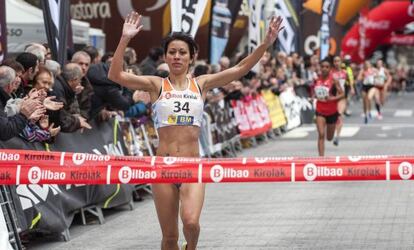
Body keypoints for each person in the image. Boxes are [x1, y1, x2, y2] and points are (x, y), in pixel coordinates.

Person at [108, 11, 283, 250]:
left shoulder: (202, 84)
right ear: (166, 57)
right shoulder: (155, 84)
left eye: (182, 53)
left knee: (191, 223)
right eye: (172, 52)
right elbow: (115, 75)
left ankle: (191, 247)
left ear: (191, 57)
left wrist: (265, 44)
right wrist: (124, 39)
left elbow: (241, 68)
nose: (177, 57)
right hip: (163, 167)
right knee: (169, 238)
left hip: (192, 166)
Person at [313, 59, 344, 156]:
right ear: (320, 68)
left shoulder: (334, 80)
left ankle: (333, 131)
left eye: (327, 67)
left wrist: (332, 98)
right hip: (320, 110)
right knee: (321, 134)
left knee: (329, 138)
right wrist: (314, 96)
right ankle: (321, 159)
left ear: (330, 69)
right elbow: (315, 92)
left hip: (332, 112)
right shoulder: (317, 79)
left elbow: (342, 94)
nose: (324, 69)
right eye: (322, 67)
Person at [331, 56, 349, 146]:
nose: (336, 63)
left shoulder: (345, 73)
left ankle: (337, 137)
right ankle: (334, 133)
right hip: (333, 98)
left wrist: (351, 91)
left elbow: (348, 84)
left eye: (338, 61)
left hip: (341, 98)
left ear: (341, 62)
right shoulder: (331, 73)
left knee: (339, 115)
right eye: (335, 61)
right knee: (334, 118)